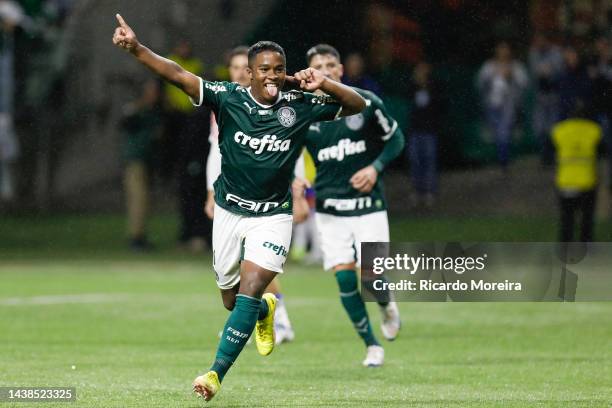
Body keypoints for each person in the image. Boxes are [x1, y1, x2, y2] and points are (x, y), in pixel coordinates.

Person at [112, 15, 366, 401]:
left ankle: (215, 373)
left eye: (279, 70)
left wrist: (324, 83)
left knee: (249, 287)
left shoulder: (300, 104)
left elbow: (357, 104)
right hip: (231, 212)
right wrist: (137, 49)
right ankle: (264, 311)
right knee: (231, 299)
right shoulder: (228, 97)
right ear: (248, 73)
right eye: (264, 69)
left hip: (273, 216)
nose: (272, 76)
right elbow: (177, 74)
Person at [301, 44, 404, 367]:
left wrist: (375, 168)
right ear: (309, 73)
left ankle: (386, 305)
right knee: (346, 280)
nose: (326, 70)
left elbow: (396, 139)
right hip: (330, 210)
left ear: (341, 69)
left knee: (372, 278)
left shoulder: (366, 103)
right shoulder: (304, 113)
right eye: (318, 65)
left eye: (331, 64)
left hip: (369, 206)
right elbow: (288, 153)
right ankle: (371, 345)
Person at [204, 45, 298, 345]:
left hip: (269, 205)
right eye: (232, 69)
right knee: (231, 294)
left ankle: (281, 321)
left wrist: (301, 185)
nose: (236, 74)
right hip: (231, 198)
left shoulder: (283, 104)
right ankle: (258, 313)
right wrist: (210, 190)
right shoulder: (227, 101)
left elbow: (289, 148)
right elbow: (216, 152)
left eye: (238, 69)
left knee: (258, 268)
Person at [163, 40, 210, 252]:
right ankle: (193, 234)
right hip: (184, 137)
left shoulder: (199, 70)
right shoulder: (171, 67)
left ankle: (202, 236)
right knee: (189, 190)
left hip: (199, 144)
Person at [120, 79, 162, 250]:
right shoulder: (137, 109)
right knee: (138, 199)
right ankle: (135, 237)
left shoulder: (155, 111)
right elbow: (125, 124)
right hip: (135, 160)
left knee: (144, 201)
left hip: (146, 160)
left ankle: (140, 235)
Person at [552, 101, 602, 242]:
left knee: (567, 219)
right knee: (587, 219)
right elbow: (601, 151)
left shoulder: (559, 130)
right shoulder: (594, 130)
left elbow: (550, 150)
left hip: (566, 182)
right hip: (587, 182)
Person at [476, 41, 528, 170]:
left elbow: (524, 83)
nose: (503, 53)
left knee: (503, 132)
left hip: (508, 104)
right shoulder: (489, 66)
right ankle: (503, 157)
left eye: (506, 50)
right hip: (492, 103)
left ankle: (503, 161)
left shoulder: (515, 66)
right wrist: (491, 75)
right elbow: (479, 83)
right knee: (497, 133)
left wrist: (511, 75)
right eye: (501, 50)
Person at [407, 61, 444, 208]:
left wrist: (427, 86)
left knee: (430, 162)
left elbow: (439, 106)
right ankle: (417, 192)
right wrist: (417, 84)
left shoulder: (435, 87)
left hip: (430, 132)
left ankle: (430, 193)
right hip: (415, 131)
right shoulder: (412, 87)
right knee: (415, 161)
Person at [529, 32, 563, 165]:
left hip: (555, 95)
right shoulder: (533, 53)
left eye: (541, 41)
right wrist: (542, 71)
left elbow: (559, 71)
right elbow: (534, 72)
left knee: (553, 128)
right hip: (541, 96)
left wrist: (550, 71)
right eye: (537, 41)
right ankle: (544, 156)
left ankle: (552, 156)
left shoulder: (556, 52)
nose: (539, 44)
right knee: (539, 129)